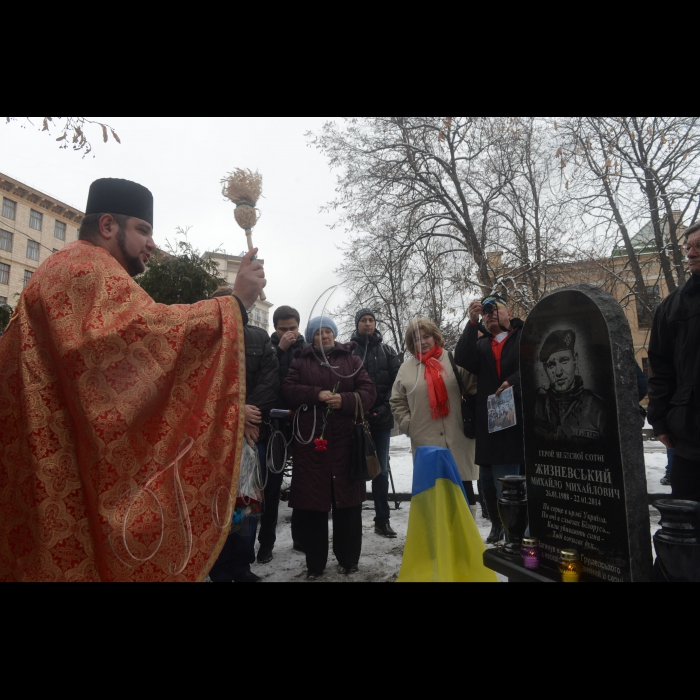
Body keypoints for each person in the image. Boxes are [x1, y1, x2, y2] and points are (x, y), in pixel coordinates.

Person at [0, 178, 266, 582]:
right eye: (143, 230)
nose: (152, 244)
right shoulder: (85, 270)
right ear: (108, 226)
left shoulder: (73, 266)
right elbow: (143, 337)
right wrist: (233, 305)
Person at [282, 316, 377, 580]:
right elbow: (288, 389)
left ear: (334, 334)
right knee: (313, 506)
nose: (323, 337)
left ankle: (349, 560)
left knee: (348, 506)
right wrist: (316, 394)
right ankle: (315, 564)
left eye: (327, 332)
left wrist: (345, 400)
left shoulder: (352, 360)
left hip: (347, 443)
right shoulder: (301, 361)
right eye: (317, 333)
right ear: (311, 337)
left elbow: (369, 391)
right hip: (312, 444)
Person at [208, 287, 280, 583]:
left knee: (247, 504)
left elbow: (270, 378)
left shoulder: (259, 338)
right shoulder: (206, 338)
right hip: (215, 438)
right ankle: (218, 567)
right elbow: (203, 388)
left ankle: (241, 564)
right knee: (217, 503)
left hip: (252, 436)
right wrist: (238, 412)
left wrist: (251, 413)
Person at [455, 294, 525, 545]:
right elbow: (462, 358)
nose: (491, 313)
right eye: (486, 311)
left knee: (519, 482)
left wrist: (512, 382)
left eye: (497, 308)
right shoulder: (482, 343)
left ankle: (521, 537)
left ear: (509, 313)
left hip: (521, 418)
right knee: (495, 483)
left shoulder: (523, 335)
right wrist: (472, 322)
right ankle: (507, 533)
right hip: (494, 423)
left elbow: (533, 364)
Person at [390, 319, 479, 514]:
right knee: (433, 496)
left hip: (457, 436)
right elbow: (397, 402)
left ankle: (465, 542)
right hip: (425, 440)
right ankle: (436, 541)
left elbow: (474, 388)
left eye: (426, 336)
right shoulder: (406, 369)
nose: (422, 342)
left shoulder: (455, 359)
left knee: (463, 490)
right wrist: (409, 425)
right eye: (416, 339)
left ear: (435, 336)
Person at [648, 223, 700, 502]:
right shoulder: (671, 308)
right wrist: (659, 421)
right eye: (687, 247)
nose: (690, 254)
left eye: (698, 246)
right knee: (687, 528)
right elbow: (661, 370)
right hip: (689, 440)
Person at [257, 305, 310, 563]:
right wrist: (280, 350)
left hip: (301, 423)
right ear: (274, 329)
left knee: (302, 483)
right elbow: (265, 381)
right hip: (274, 426)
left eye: (292, 328)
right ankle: (266, 543)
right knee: (272, 486)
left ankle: (300, 537)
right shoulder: (267, 349)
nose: (288, 333)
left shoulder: (308, 350)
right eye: (282, 329)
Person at [351, 308, 402, 539]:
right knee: (354, 468)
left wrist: (382, 410)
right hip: (355, 419)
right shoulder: (349, 351)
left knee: (380, 469)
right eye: (363, 320)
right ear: (357, 324)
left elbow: (397, 384)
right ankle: (351, 519)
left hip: (381, 419)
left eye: (371, 320)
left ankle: (382, 519)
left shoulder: (388, 350)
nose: (368, 324)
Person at [534, 330, 606, 443]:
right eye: (551, 365)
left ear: (575, 359)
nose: (558, 372)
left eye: (564, 361)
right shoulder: (537, 405)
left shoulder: (598, 409)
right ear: (545, 368)